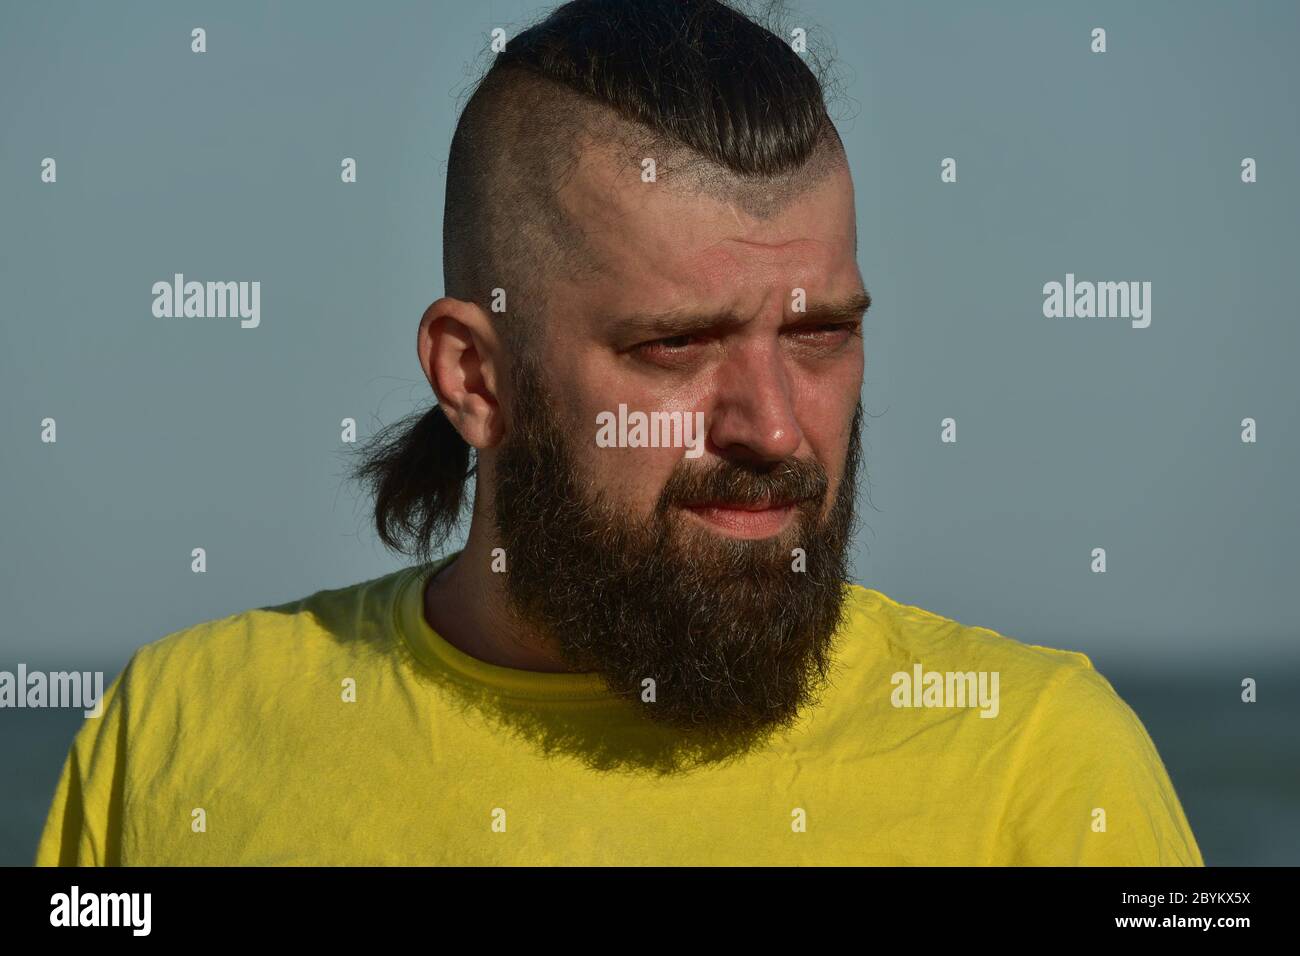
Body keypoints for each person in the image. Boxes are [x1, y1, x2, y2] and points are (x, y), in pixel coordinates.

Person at [36, 0, 1202, 866]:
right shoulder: (177, 733)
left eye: (819, 336)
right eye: (673, 347)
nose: (776, 425)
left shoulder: (1043, 768)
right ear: (473, 375)